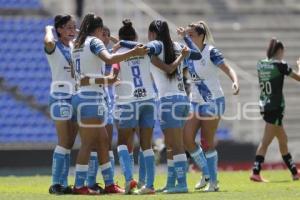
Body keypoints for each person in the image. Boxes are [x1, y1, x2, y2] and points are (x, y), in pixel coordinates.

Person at [119, 19, 202, 194]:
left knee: (176, 145)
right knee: (172, 145)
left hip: (168, 101)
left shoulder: (156, 44)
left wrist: (122, 43)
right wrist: (186, 40)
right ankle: (172, 183)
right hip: (182, 99)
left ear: (152, 33)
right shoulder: (177, 45)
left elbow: (143, 47)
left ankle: (181, 183)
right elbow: (198, 55)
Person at [71, 13, 147, 195]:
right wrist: (133, 52)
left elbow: (81, 75)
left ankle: (109, 184)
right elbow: (110, 59)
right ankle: (79, 185)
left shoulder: (76, 45)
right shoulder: (94, 42)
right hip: (91, 98)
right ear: (98, 29)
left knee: (103, 141)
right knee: (88, 144)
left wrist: (100, 80)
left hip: (82, 95)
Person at [180, 21, 239, 192]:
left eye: (190, 35)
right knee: (187, 139)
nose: (188, 37)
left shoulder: (211, 51)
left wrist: (235, 82)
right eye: (187, 35)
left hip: (213, 101)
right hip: (195, 101)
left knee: (207, 142)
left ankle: (213, 182)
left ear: (200, 36)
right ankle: (206, 173)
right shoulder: (188, 53)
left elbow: (228, 68)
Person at [250, 38, 300, 182]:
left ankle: (295, 172)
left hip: (265, 104)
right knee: (266, 142)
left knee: (283, 139)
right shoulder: (280, 65)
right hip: (275, 107)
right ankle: (255, 172)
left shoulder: (261, 64)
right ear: (279, 51)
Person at [44, 14, 78, 195]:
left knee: (70, 143)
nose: (72, 31)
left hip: (74, 97)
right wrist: (49, 29)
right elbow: (49, 41)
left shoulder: (73, 47)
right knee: (64, 142)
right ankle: (55, 183)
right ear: (59, 29)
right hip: (59, 97)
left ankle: (63, 183)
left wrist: (75, 33)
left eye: (74, 27)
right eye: (68, 27)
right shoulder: (53, 46)